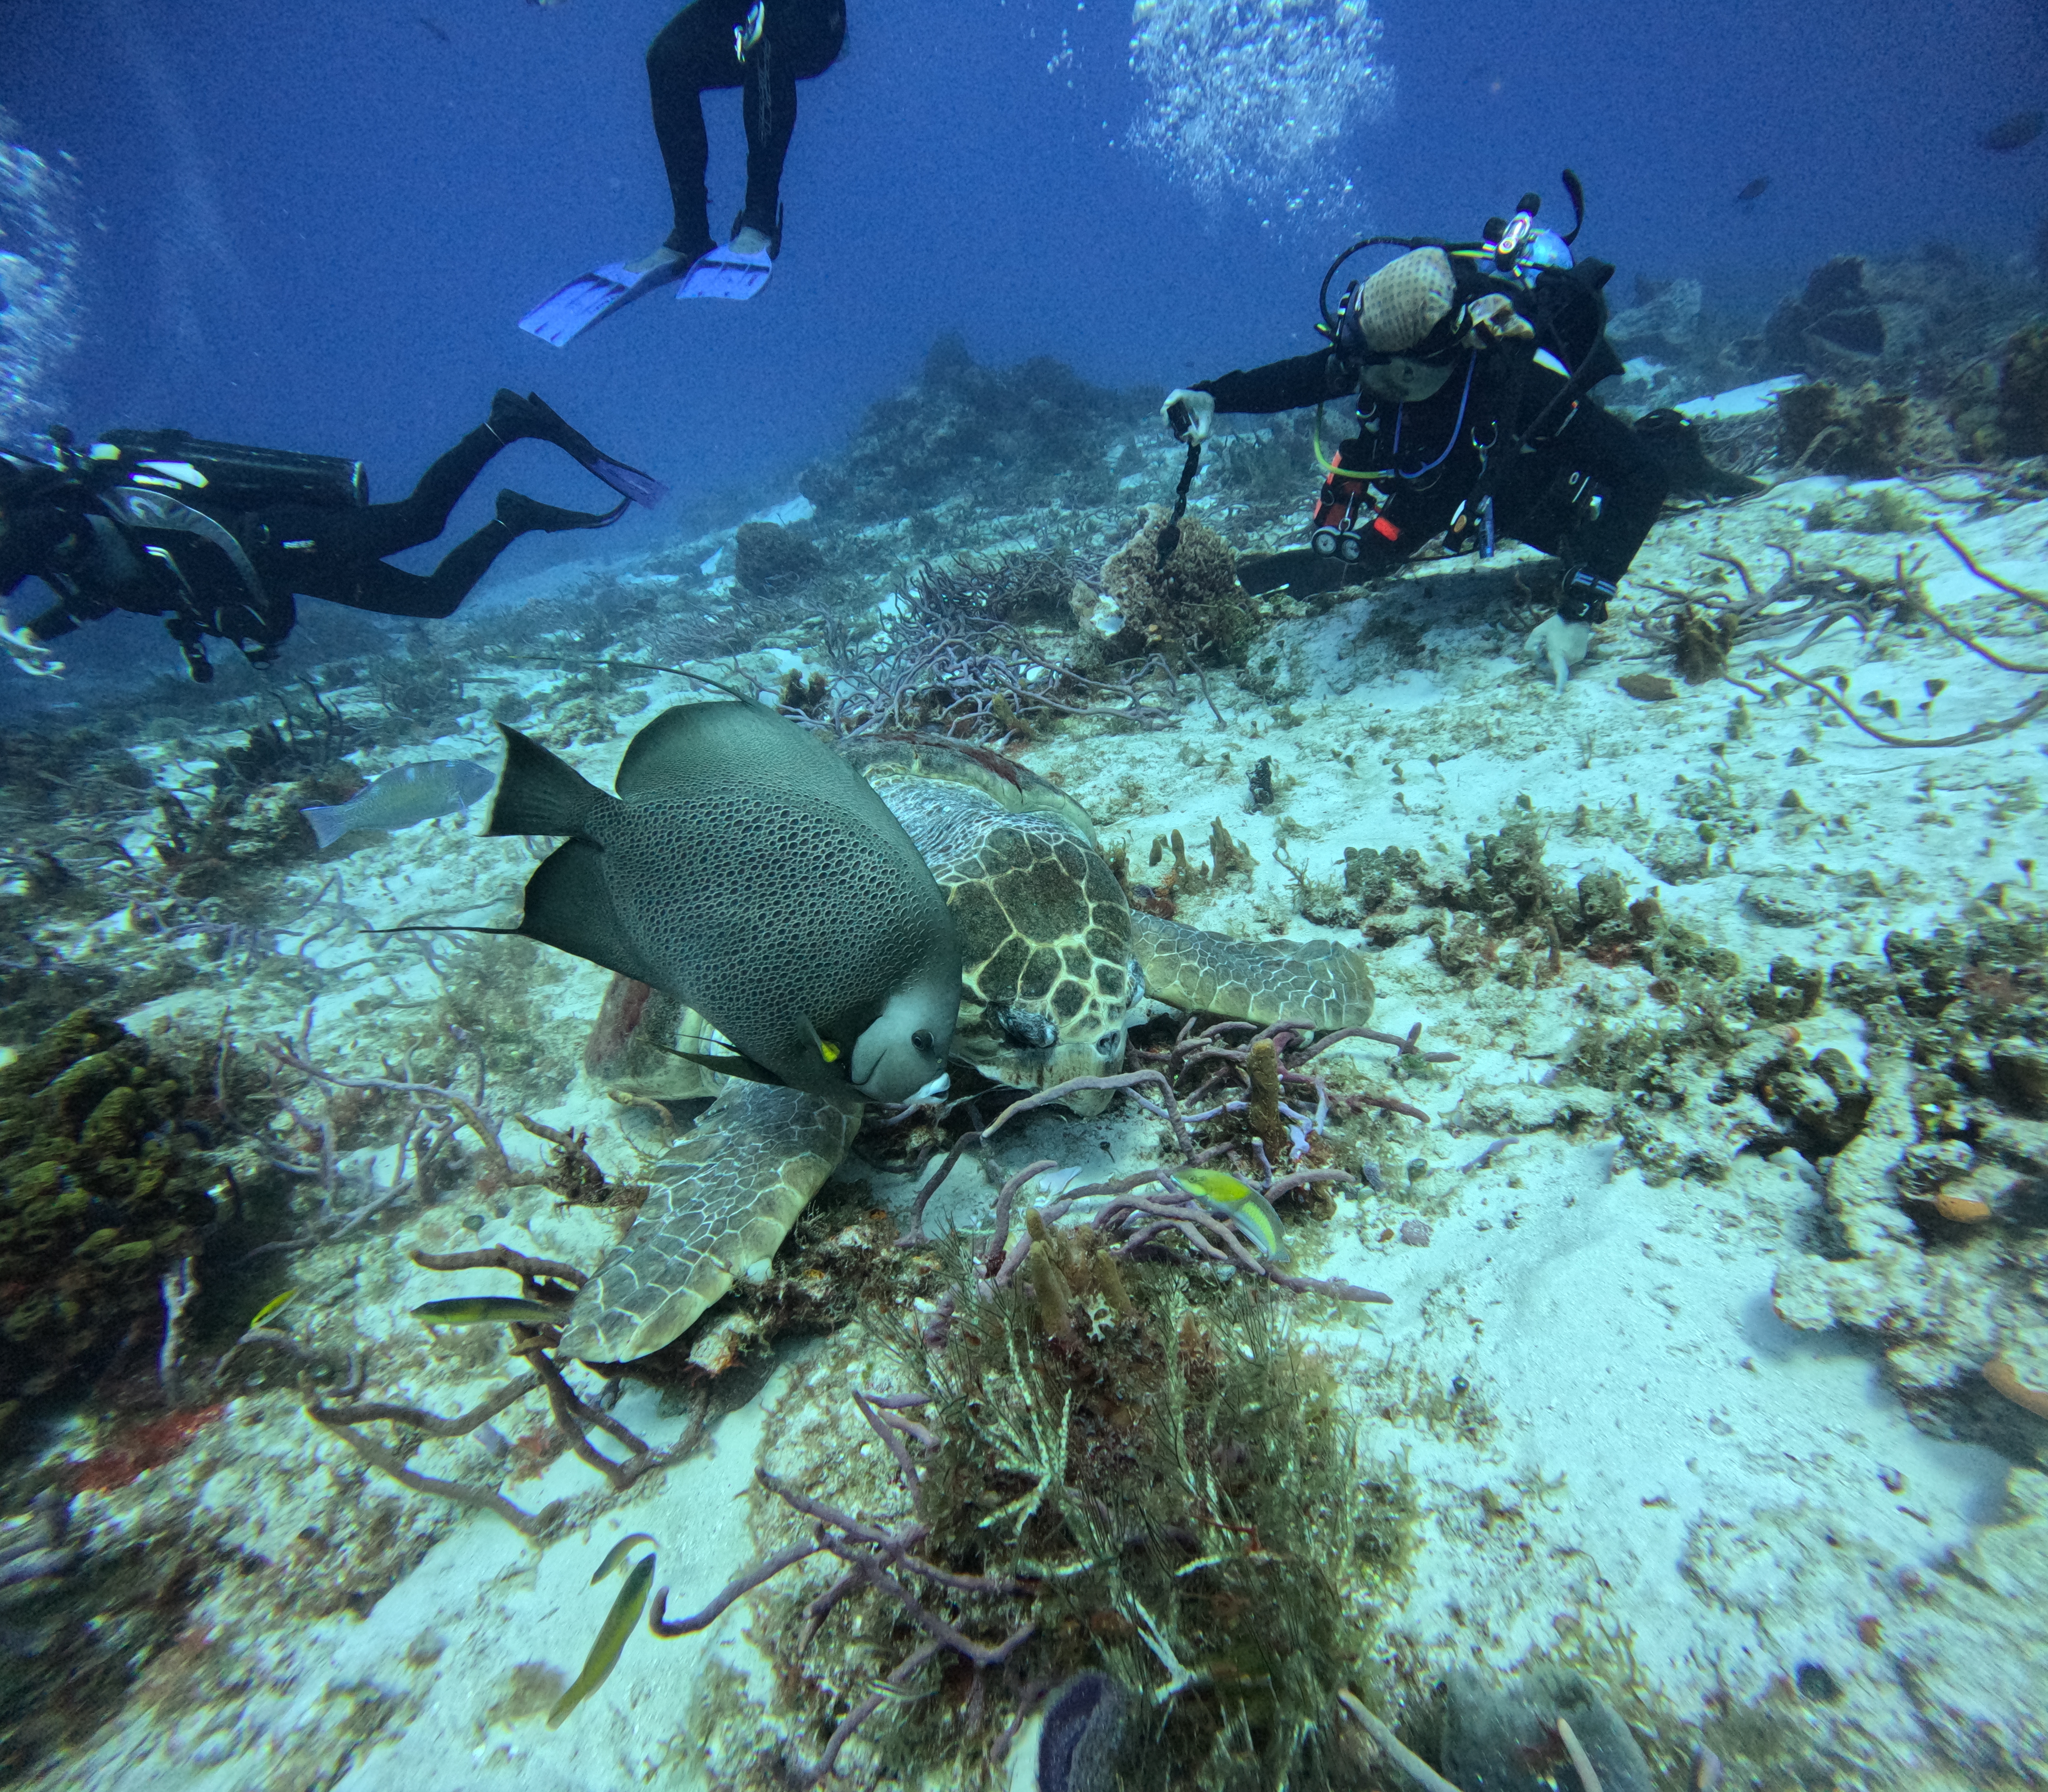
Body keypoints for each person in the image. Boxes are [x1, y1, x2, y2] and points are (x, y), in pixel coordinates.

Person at [1161, 180, 1742, 685]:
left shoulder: (1517, 380)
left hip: (1514, 481)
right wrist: (1214, 394)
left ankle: (1675, 440)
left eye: (1384, 375)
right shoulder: (1379, 356)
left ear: (1432, 360)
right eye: (1362, 368)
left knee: (1576, 523)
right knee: (1369, 554)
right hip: (1437, 484)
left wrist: (1579, 612)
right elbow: (1302, 378)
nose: (1366, 384)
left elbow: (1641, 478)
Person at [0, 390, 662, 682]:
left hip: (271, 541)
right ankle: (511, 517)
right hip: (278, 570)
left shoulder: (48, 521)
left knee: (418, 522)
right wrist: (34, 634)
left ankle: (505, 424)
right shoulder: (73, 550)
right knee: (432, 601)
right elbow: (102, 593)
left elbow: (24, 547)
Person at [519, 0, 849, 345]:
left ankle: (760, 220)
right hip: (746, 19)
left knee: (765, 29)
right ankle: (690, 233)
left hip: (814, 21)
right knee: (667, 59)